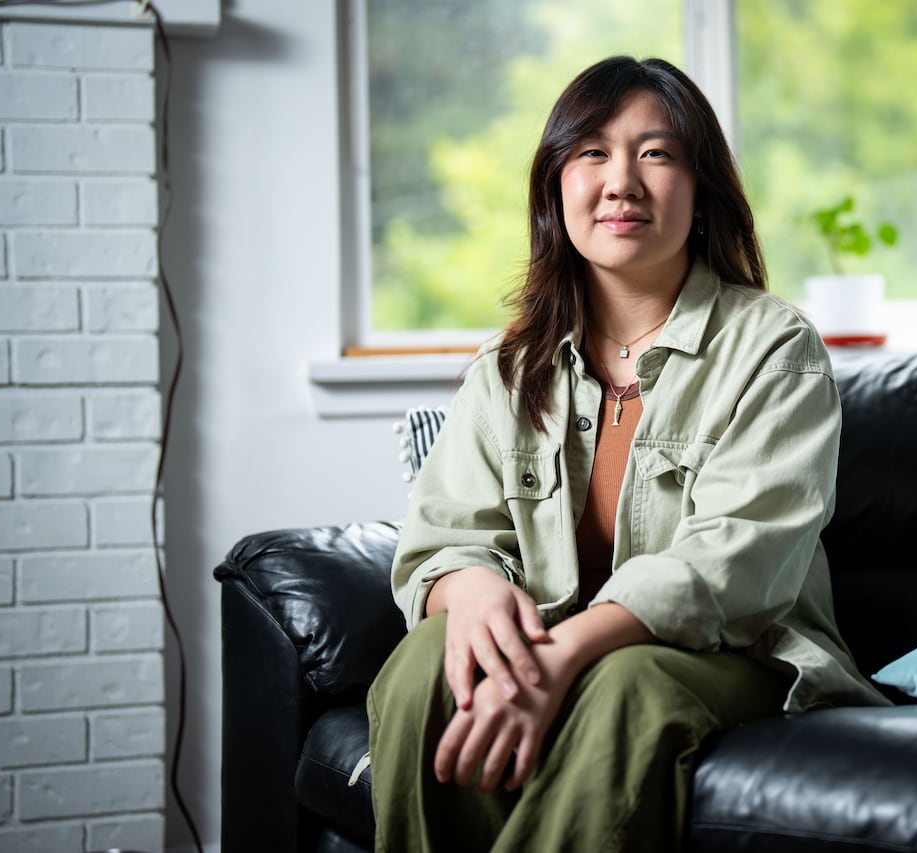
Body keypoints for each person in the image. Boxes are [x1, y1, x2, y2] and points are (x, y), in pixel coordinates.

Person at [367, 55, 889, 853]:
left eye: (656, 153)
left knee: (624, 682)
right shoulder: (506, 369)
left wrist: (564, 652)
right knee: (424, 661)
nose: (622, 181)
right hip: (554, 634)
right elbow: (443, 538)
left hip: (735, 654)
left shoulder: (776, 349)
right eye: (592, 154)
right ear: (556, 190)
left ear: (702, 192)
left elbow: (738, 562)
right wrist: (470, 594)